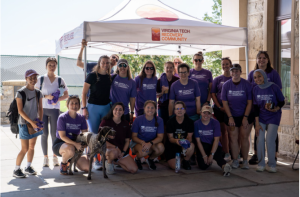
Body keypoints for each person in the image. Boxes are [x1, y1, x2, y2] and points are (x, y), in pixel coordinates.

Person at [248, 51, 282, 165]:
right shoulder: (252, 73)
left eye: (264, 58)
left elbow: (279, 92)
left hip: (272, 112)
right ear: (256, 60)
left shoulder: (273, 73)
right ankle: (257, 155)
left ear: (268, 60)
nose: (261, 60)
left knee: (272, 135)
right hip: (258, 109)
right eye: (259, 58)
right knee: (258, 133)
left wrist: (275, 107)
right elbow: (249, 91)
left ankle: (274, 156)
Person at [35, 57, 69, 167]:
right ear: (46, 66)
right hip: (42, 110)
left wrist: (57, 100)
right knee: (44, 134)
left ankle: (55, 156)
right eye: (50, 65)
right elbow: (35, 94)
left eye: (54, 65)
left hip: (55, 110)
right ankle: (45, 158)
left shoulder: (60, 80)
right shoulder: (41, 79)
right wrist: (46, 96)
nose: (52, 67)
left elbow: (66, 95)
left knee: (55, 134)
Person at [81, 55, 111, 170]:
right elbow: (84, 93)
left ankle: (103, 158)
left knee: (104, 135)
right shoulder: (92, 76)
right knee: (94, 134)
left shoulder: (110, 77)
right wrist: (84, 108)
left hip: (106, 108)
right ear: (99, 63)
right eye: (103, 62)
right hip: (93, 108)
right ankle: (95, 160)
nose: (105, 64)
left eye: (107, 63)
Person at [221, 64, 254, 169]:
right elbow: (224, 103)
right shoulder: (226, 85)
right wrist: (230, 117)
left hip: (246, 114)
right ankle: (235, 160)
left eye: (237, 71)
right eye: (233, 71)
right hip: (231, 115)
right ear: (230, 72)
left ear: (240, 72)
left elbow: (250, 102)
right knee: (233, 138)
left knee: (244, 137)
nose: (235, 73)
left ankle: (245, 161)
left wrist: (245, 117)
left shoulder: (247, 84)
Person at [252, 70, 285, 173]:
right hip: (261, 117)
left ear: (264, 76)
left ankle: (271, 164)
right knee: (260, 139)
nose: (257, 79)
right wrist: (256, 124)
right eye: (255, 78)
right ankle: (261, 164)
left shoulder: (273, 87)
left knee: (270, 140)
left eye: (259, 76)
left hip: (274, 116)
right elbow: (255, 108)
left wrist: (276, 108)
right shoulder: (255, 89)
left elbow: (282, 101)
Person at [13, 69, 43, 178]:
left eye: (34, 77)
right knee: (24, 148)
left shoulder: (38, 92)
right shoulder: (20, 92)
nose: (33, 80)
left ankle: (28, 167)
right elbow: (20, 111)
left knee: (32, 147)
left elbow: (40, 108)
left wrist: (40, 120)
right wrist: (32, 122)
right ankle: (16, 169)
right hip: (24, 124)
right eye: (30, 78)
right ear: (26, 79)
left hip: (35, 124)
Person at [52, 96, 89, 175]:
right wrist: (76, 144)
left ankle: (71, 160)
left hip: (76, 145)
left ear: (79, 106)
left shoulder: (81, 118)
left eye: (76, 103)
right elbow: (62, 136)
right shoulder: (62, 117)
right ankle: (64, 164)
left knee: (88, 168)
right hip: (61, 144)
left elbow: (85, 134)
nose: (74, 105)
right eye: (72, 103)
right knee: (70, 149)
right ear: (67, 105)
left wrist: (85, 144)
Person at [100, 102, 138, 174]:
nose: (118, 111)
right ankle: (108, 161)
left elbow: (127, 141)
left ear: (123, 112)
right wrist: (115, 147)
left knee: (134, 169)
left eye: (120, 109)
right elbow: (101, 139)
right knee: (114, 152)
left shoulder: (125, 123)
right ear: (112, 110)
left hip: (120, 152)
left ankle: (115, 162)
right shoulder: (105, 122)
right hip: (108, 150)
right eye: (116, 109)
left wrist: (123, 152)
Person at [194, 105, 232, 176]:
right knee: (203, 166)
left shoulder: (215, 122)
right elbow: (198, 141)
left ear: (211, 114)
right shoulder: (196, 123)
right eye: (204, 112)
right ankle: (213, 161)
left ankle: (225, 166)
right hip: (203, 146)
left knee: (217, 155)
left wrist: (211, 154)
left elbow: (216, 140)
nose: (206, 115)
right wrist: (204, 156)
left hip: (214, 145)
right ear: (201, 113)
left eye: (209, 113)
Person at [131, 100, 165, 170]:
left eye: (152, 108)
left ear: (155, 109)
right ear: (144, 108)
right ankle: (137, 159)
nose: (150, 109)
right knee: (144, 152)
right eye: (148, 107)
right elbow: (133, 137)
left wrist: (150, 143)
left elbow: (160, 137)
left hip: (152, 143)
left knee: (161, 147)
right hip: (139, 143)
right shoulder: (138, 120)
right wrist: (143, 142)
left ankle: (150, 159)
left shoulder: (159, 120)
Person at [211, 57, 233, 160]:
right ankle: (226, 152)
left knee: (232, 132)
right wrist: (219, 106)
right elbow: (213, 94)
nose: (225, 66)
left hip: (232, 110)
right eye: (223, 64)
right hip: (219, 110)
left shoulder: (234, 79)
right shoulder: (217, 79)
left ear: (231, 65)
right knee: (223, 131)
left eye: (227, 64)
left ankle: (235, 153)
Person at [165, 101, 194, 170]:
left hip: (184, 144)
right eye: (177, 109)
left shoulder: (190, 122)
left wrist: (184, 143)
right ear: (174, 111)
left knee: (191, 146)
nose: (179, 110)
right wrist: (177, 141)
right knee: (176, 167)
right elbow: (170, 138)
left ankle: (186, 161)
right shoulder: (170, 122)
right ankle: (180, 159)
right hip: (172, 145)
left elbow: (189, 137)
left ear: (185, 110)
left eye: (181, 108)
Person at [110, 59, 136, 123]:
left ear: (127, 67)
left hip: (124, 111)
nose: (122, 67)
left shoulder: (132, 82)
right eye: (120, 65)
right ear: (117, 67)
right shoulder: (111, 77)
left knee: (124, 132)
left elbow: (132, 99)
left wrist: (132, 112)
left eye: (124, 65)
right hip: (111, 110)